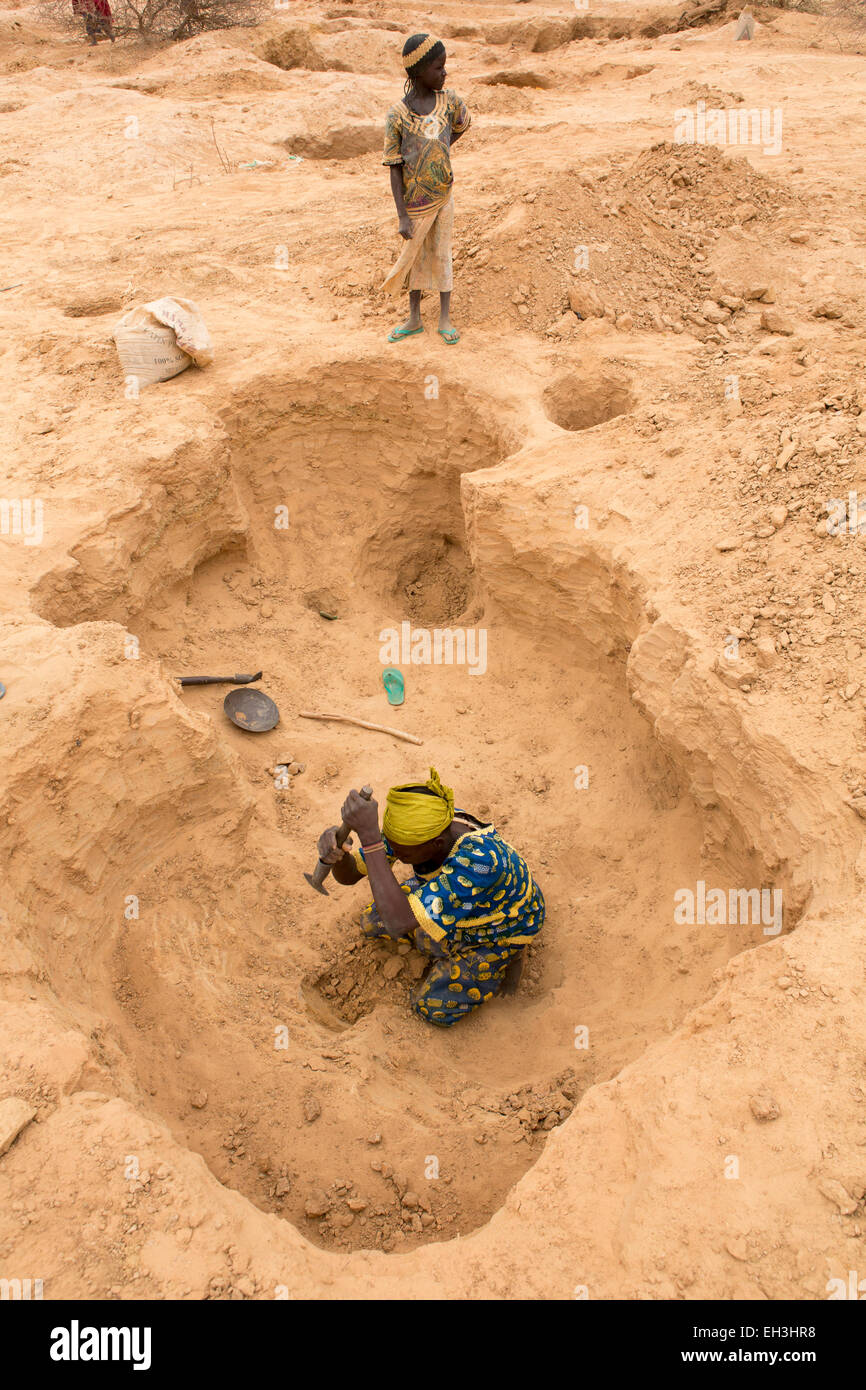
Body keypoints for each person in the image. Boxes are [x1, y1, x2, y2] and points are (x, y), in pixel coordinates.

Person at [317, 769, 545, 1027]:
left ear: (436, 844)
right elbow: (349, 875)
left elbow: (398, 922)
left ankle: (509, 956)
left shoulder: (479, 862)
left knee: (432, 1008)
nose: (397, 856)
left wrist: (371, 840)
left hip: (495, 928)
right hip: (456, 899)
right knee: (372, 921)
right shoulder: (421, 827)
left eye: (403, 855)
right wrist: (337, 855)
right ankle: (443, 939)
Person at [381, 34, 470, 346]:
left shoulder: (450, 102)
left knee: (443, 253)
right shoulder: (398, 115)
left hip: (443, 195)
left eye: (444, 67)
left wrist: (439, 151)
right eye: (438, 68)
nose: (444, 73)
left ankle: (444, 317)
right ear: (418, 72)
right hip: (415, 204)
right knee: (416, 256)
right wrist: (402, 216)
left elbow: (460, 125)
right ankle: (415, 318)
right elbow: (394, 166)